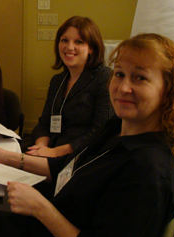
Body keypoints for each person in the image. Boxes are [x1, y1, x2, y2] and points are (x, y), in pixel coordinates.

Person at [0, 33, 174, 237]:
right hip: (39, 228)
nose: (123, 87)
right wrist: (4, 156)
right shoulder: (118, 127)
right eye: (119, 74)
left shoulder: (149, 170)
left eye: (140, 78)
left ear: (168, 90)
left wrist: (40, 208)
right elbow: (67, 166)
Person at [26, 16, 113, 157]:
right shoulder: (57, 81)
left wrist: (54, 152)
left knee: (10, 160)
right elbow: (44, 123)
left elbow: (100, 132)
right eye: (64, 40)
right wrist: (40, 147)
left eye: (78, 42)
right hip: (50, 150)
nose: (69, 47)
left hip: (81, 155)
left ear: (91, 48)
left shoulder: (104, 78)